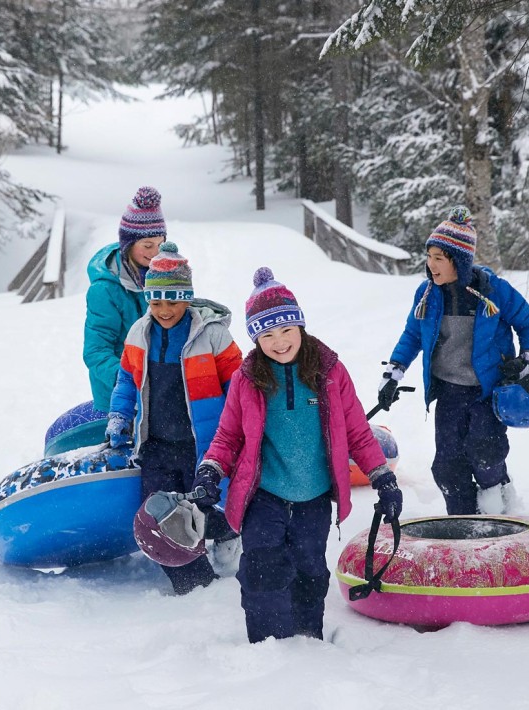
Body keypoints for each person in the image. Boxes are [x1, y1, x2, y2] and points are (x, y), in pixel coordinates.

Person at [190, 267, 403, 643]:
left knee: (309, 569)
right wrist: (210, 470)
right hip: (264, 495)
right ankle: (269, 646)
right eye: (267, 334)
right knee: (261, 570)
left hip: (314, 497)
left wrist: (382, 477)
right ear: (256, 338)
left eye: (286, 330)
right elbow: (228, 436)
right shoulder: (247, 378)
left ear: (300, 327)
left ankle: (307, 643)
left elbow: (357, 431)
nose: (279, 342)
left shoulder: (330, 372)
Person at [378, 206, 529, 516]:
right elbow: (413, 335)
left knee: (486, 454)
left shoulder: (494, 291)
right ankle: (464, 519)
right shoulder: (427, 294)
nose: (431, 265)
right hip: (450, 392)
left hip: (487, 391)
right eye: (429, 257)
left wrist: (527, 359)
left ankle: (499, 507)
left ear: (460, 261)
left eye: (439, 258)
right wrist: (394, 372)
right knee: (447, 465)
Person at [105, 241, 243, 595]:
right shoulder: (139, 333)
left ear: (188, 297)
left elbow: (240, 385)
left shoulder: (211, 335)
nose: (164, 309)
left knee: (208, 507)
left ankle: (228, 534)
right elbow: (126, 380)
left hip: (204, 445)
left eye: (173, 300)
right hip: (157, 445)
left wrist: (243, 430)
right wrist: (120, 416)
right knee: (162, 515)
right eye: (156, 301)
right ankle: (195, 585)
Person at [83, 186, 167, 414]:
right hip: (119, 395)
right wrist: (130, 381)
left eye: (160, 244)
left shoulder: (164, 275)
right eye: (147, 245)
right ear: (128, 245)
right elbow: (96, 351)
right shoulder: (105, 290)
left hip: (159, 388)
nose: (155, 253)